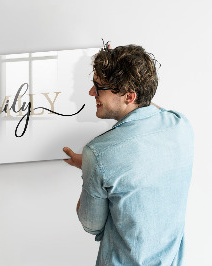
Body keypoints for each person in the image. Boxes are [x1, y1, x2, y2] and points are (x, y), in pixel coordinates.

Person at [63, 44, 193, 265]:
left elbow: (91, 224)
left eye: (99, 86)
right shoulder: (181, 125)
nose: (91, 92)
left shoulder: (98, 153)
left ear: (129, 96)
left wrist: (91, 168)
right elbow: (148, 108)